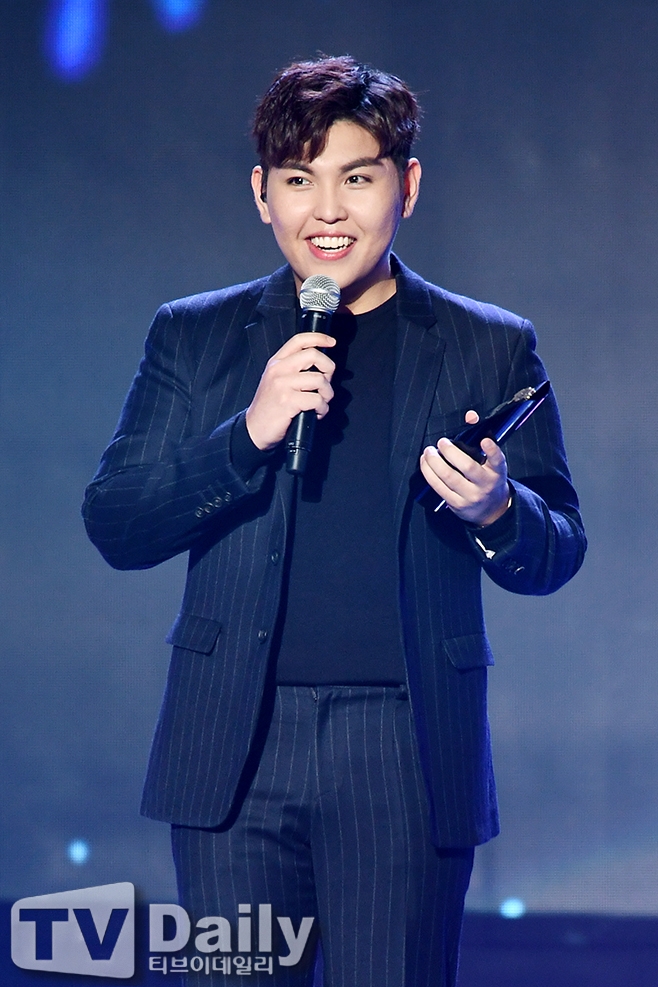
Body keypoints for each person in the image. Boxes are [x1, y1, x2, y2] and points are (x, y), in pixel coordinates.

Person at [83, 56, 586, 987]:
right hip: (234, 743)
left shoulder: (489, 342)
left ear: (407, 187)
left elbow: (558, 550)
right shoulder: (194, 334)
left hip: (403, 747)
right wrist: (247, 435)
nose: (326, 211)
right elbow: (117, 522)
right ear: (261, 195)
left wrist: (497, 509)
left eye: (356, 178)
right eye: (297, 180)